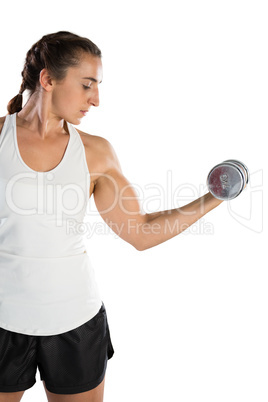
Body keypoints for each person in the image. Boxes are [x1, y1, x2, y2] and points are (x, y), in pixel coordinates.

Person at [0, 31, 223, 402]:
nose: (97, 100)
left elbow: (140, 232)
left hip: (74, 319)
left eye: (98, 86)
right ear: (48, 79)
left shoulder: (96, 153)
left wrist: (214, 197)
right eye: (88, 85)